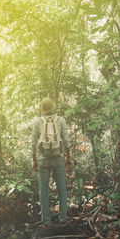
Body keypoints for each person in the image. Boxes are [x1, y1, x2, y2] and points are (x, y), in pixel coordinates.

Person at [32, 97, 71, 228]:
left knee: (43, 190)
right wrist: (68, 158)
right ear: (53, 107)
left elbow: (33, 142)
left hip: (43, 158)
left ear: (42, 108)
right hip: (58, 157)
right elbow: (66, 139)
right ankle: (63, 219)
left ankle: (46, 222)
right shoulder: (60, 120)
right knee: (62, 188)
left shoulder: (37, 121)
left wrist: (34, 160)